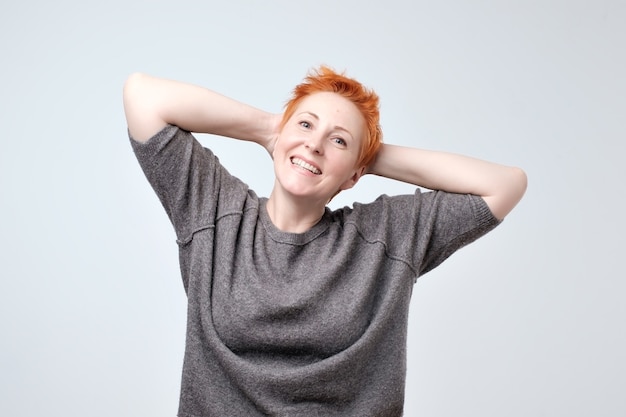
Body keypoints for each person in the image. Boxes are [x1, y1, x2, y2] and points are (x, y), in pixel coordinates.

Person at [123, 66, 527, 417]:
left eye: (338, 140)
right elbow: (142, 96)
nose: (314, 144)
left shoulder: (385, 237)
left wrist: (367, 158)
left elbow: (504, 186)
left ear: (354, 175)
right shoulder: (214, 213)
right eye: (305, 124)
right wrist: (269, 128)